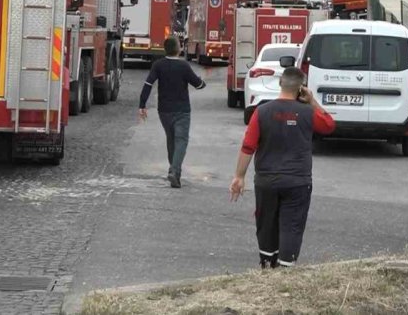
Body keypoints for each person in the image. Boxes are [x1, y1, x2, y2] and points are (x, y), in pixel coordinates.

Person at [229, 67, 336, 268]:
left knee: (266, 223)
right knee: (292, 226)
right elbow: (329, 125)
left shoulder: (261, 112)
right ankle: (285, 269)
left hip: (266, 180)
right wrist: (312, 101)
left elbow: (248, 146)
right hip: (297, 181)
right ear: (301, 88)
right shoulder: (307, 113)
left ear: (280, 84)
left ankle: (267, 264)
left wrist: (239, 176)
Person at [139, 37, 206, 188]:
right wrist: (202, 83)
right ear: (178, 49)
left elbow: (148, 83)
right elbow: (197, 83)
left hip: (164, 110)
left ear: (165, 49)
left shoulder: (158, 65)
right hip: (182, 110)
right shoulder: (184, 66)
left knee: (171, 139)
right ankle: (175, 171)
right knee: (181, 140)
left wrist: (142, 104)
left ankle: (174, 171)